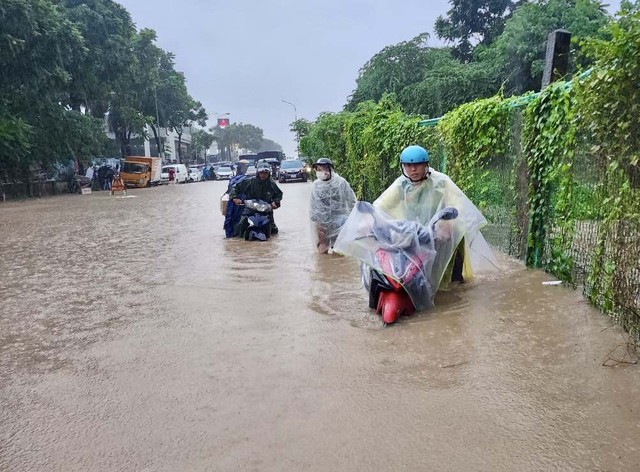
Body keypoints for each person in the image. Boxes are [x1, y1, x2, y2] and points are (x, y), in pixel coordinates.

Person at [372, 145, 495, 291]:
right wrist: (370, 218)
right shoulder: (401, 185)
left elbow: (458, 204)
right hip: (418, 234)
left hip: (446, 234)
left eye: (417, 165)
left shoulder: (441, 182)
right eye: (408, 165)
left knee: (452, 282)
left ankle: (455, 294)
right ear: (403, 167)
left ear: (426, 165)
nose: (413, 169)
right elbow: (381, 205)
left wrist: (447, 222)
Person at [309, 157, 356, 254]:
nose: (320, 172)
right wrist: (317, 223)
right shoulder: (316, 185)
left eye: (322, 169)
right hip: (322, 221)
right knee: (322, 250)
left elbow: (351, 201)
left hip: (339, 220)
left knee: (339, 250)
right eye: (318, 169)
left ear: (329, 169)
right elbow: (313, 206)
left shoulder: (340, 182)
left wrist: (353, 217)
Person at [229, 162, 283, 238]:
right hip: (250, 210)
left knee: (274, 231)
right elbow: (235, 187)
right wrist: (235, 198)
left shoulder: (271, 184)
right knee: (240, 225)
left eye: (266, 173)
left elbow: (278, 194)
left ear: (269, 174)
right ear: (258, 173)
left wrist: (275, 202)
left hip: (266, 211)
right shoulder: (250, 181)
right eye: (261, 173)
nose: (263, 175)